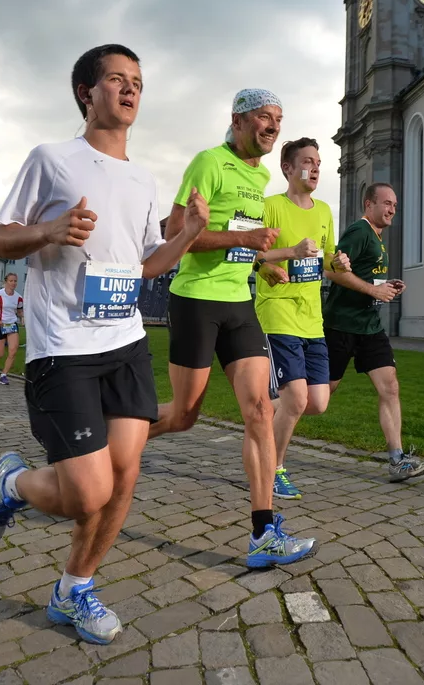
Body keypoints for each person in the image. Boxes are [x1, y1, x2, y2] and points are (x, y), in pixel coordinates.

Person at [0, 43, 209, 644]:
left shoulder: (143, 178)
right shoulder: (51, 160)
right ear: (87, 92)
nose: (130, 90)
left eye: (136, 82)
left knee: (124, 475)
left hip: (125, 341)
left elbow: (145, 265)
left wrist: (190, 236)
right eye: (115, 80)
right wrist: (49, 230)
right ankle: (13, 485)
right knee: (89, 492)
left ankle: (73, 588)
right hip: (63, 346)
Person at [148, 88, 318, 569]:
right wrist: (242, 236)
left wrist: (262, 265)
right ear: (239, 120)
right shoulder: (210, 163)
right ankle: (110, 439)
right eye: (265, 117)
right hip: (196, 301)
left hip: (239, 304)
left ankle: (264, 531)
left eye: (279, 118)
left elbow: (244, 249)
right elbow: (175, 232)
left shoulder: (261, 174)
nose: (273, 126)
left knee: (261, 410)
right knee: (183, 416)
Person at [251, 138, 349, 500]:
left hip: (312, 319)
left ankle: (261, 416)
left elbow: (327, 262)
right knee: (294, 398)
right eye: (308, 162)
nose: (316, 168)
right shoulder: (271, 207)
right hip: (278, 313)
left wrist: (338, 264)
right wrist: (288, 253)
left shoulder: (324, 211)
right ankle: (274, 469)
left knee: (317, 402)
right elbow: (251, 255)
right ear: (288, 169)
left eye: (319, 163)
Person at [324, 183, 424, 482]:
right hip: (342, 325)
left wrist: (387, 285)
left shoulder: (378, 238)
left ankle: (397, 460)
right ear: (368, 204)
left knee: (390, 388)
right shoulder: (359, 232)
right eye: (386, 203)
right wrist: (373, 289)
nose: (391, 209)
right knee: (320, 396)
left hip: (370, 327)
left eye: (394, 205)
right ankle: (269, 419)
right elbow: (332, 271)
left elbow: (366, 276)